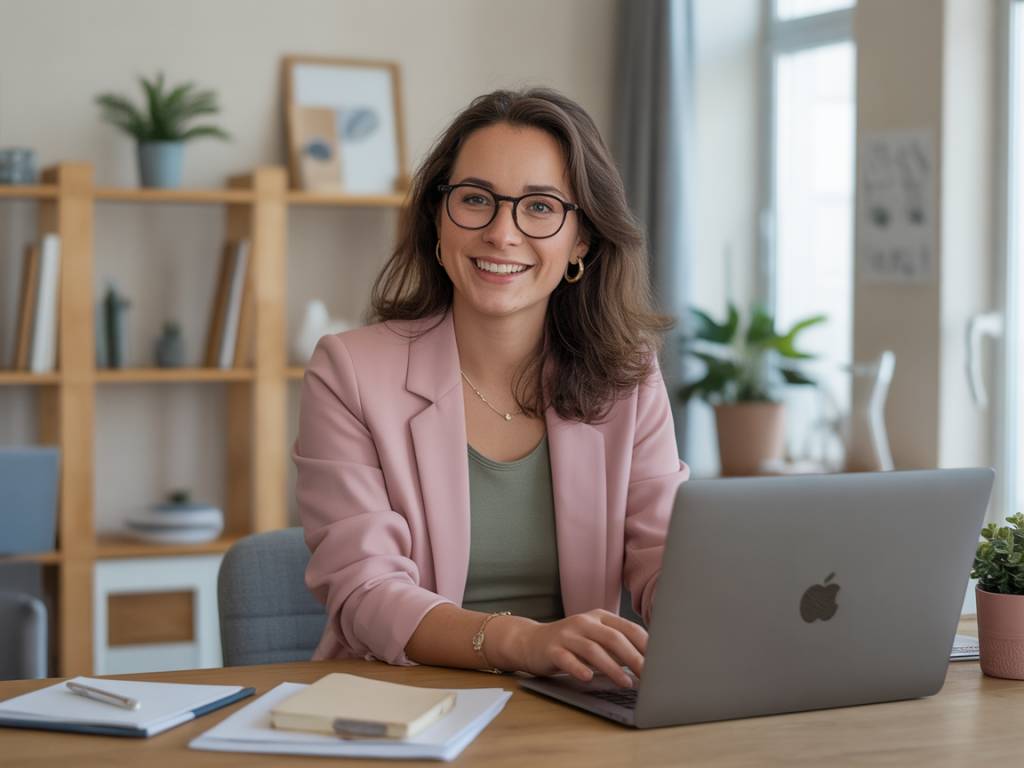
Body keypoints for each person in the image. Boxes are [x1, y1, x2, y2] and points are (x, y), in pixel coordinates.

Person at [294, 88, 689, 690]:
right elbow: (366, 591)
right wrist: (524, 642)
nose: (502, 233)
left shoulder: (626, 374)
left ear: (581, 240)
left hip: (570, 707)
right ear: (438, 217)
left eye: (540, 207)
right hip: (401, 704)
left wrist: (727, 599)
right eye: (476, 199)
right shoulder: (348, 371)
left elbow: (666, 556)